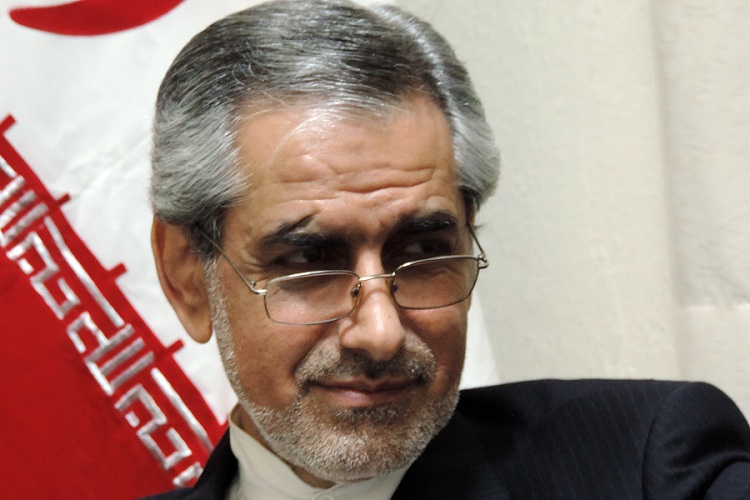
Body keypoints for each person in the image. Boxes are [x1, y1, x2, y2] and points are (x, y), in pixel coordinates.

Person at [146, 0, 750, 498]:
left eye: (423, 251)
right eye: (309, 261)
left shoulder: (646, 464)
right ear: (187, 277)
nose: (380, 333)